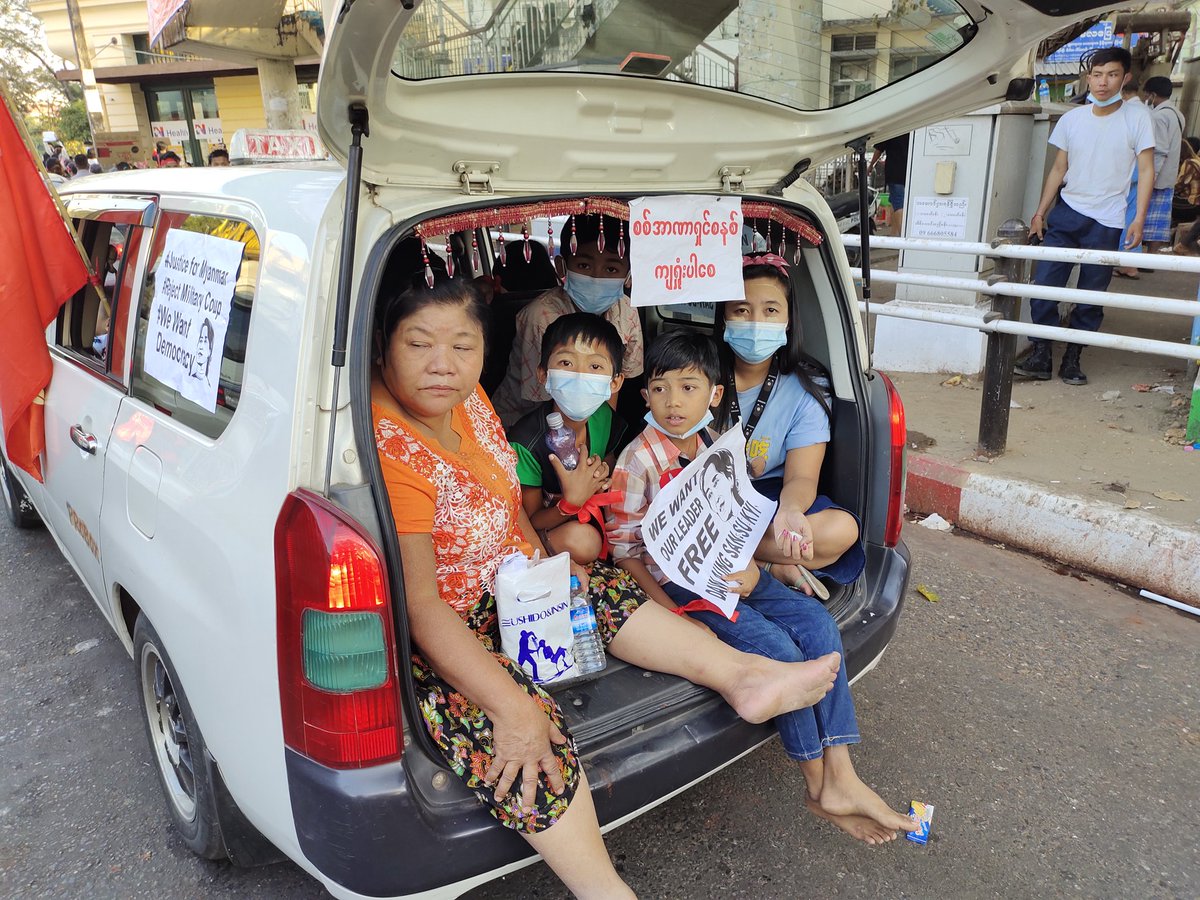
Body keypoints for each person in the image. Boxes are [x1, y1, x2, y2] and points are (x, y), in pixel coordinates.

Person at [372, 273, 841, 896]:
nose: (443, 365)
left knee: (607, 590)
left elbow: (509, 501)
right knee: (525, 735)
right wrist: (511, 708)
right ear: (383, 347)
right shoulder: (389, 445)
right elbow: (423, 608)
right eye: (419, 344)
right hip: (452, 624)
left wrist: (545, 567)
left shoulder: (468, 403)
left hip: (511, 581)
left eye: (462, 346)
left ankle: (744, 676)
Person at [609, 330, 916, 845]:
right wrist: (666, 611)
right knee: (776, 650)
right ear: (645, 397)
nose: (673, 402)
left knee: (817, 623)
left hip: (737, 569)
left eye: (688, 387)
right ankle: (818, 784)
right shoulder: (636, 461)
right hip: (685, 588)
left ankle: (841, 769)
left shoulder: (716, 441)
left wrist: (758, 567)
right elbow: (624, 551)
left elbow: (737, 515)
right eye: (660, 389)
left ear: (713, 394)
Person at [714, 253, 865, 601]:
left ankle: (753, 558)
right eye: (741, 310)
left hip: (769, 496)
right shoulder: (698, 375)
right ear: (723, 319)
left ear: (788, 320)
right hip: (710, 500)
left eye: (770, 310)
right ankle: (771, 563)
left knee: (843, 530)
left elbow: (802, 477)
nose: (755, 322)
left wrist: (790, 510)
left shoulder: (807, 387)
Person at [1015, 47, 1155, 386]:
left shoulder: (1138, 119)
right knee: (1045, 286)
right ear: (1088, 77)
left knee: (1091, 296)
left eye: (1111, 74)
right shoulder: (1072, 119)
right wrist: (1039, 212)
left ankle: (1073, 359)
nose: (1102, 82)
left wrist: (1139, 219)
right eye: (1096, 74)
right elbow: (1059, 168)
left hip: (1108, 221)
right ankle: (1041, 354)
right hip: (1067, 213)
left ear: (1125, 78)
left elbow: (1147, 169)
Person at [491, 215, 643, 425]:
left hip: (590, 419)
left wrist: (603, 435)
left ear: (629, 274)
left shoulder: (627, 312)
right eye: (583, 265)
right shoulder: (540, 317)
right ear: (562, 267)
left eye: (611, 269)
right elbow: (545, 399)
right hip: (525, 421)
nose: (596, 278)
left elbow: (617, 380)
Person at [507, 313, 629, 565]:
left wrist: (603, 475)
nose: (579, 376)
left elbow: (609, 458)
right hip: (547, 527)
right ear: (543, 374)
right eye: (566, 363)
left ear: (614, 382)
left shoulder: (604, 417)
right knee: (584, 542)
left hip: (590, 514)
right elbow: (531, 519)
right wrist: (570, 503)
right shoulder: (525, 441)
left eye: (595, 367)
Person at [1115, 75, 1185, 277]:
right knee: (1149, 221)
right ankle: (1140, 261)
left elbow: (1158, 150)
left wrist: (1149, 178)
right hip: (1162, 175)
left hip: (1145, 174)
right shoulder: (1176, 114)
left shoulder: (1154, 115)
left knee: (1133, 218)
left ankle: (1129, 263)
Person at [869, 133, 910, 235]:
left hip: (895, 171)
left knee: (898, 203)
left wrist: (870, 165)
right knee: (894, 201)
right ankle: (893, 234)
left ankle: (903, 236)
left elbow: (879, 149)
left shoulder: (893, 129)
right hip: (910, 170)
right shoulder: (913, 127)